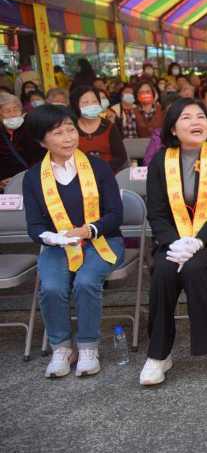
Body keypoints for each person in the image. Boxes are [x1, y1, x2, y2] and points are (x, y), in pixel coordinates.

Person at [140, 98, 207, 386]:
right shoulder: (160, 161)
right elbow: (157, 212)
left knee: (196, 268)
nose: (196, 122)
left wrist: (198, 242)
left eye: (200, 116)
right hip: (173, 240)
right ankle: (159, 354)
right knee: (163, 271)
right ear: (173, 127)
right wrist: (174, 243)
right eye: (186, 117)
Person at [22, 104, 124, 378]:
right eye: (58, 133)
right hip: (59, 246)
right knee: (52, 287)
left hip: (102, 240)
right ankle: (61, 348)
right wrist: (54, 238)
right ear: (42, 141)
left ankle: (88, 347)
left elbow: (116, 214)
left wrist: (89, 230)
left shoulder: (97, 167)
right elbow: (34, 226)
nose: (68, 137)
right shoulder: (33, 178)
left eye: (70, 129)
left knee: (86, 282)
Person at [71, 86, 128, 173]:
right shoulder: (71, 129)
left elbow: (121, 157)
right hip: (80, 176)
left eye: (95, 102)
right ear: (76, 105)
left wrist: (102, 170)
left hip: (108, 174)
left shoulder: (109, 127)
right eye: (85, 102)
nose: (91, 105)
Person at [0, 92, 44, 189]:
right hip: (5, 186)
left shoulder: (31, 129)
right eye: (7, 111)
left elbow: (42, 155)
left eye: (16, 109)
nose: (13, 114)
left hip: (32, 181)